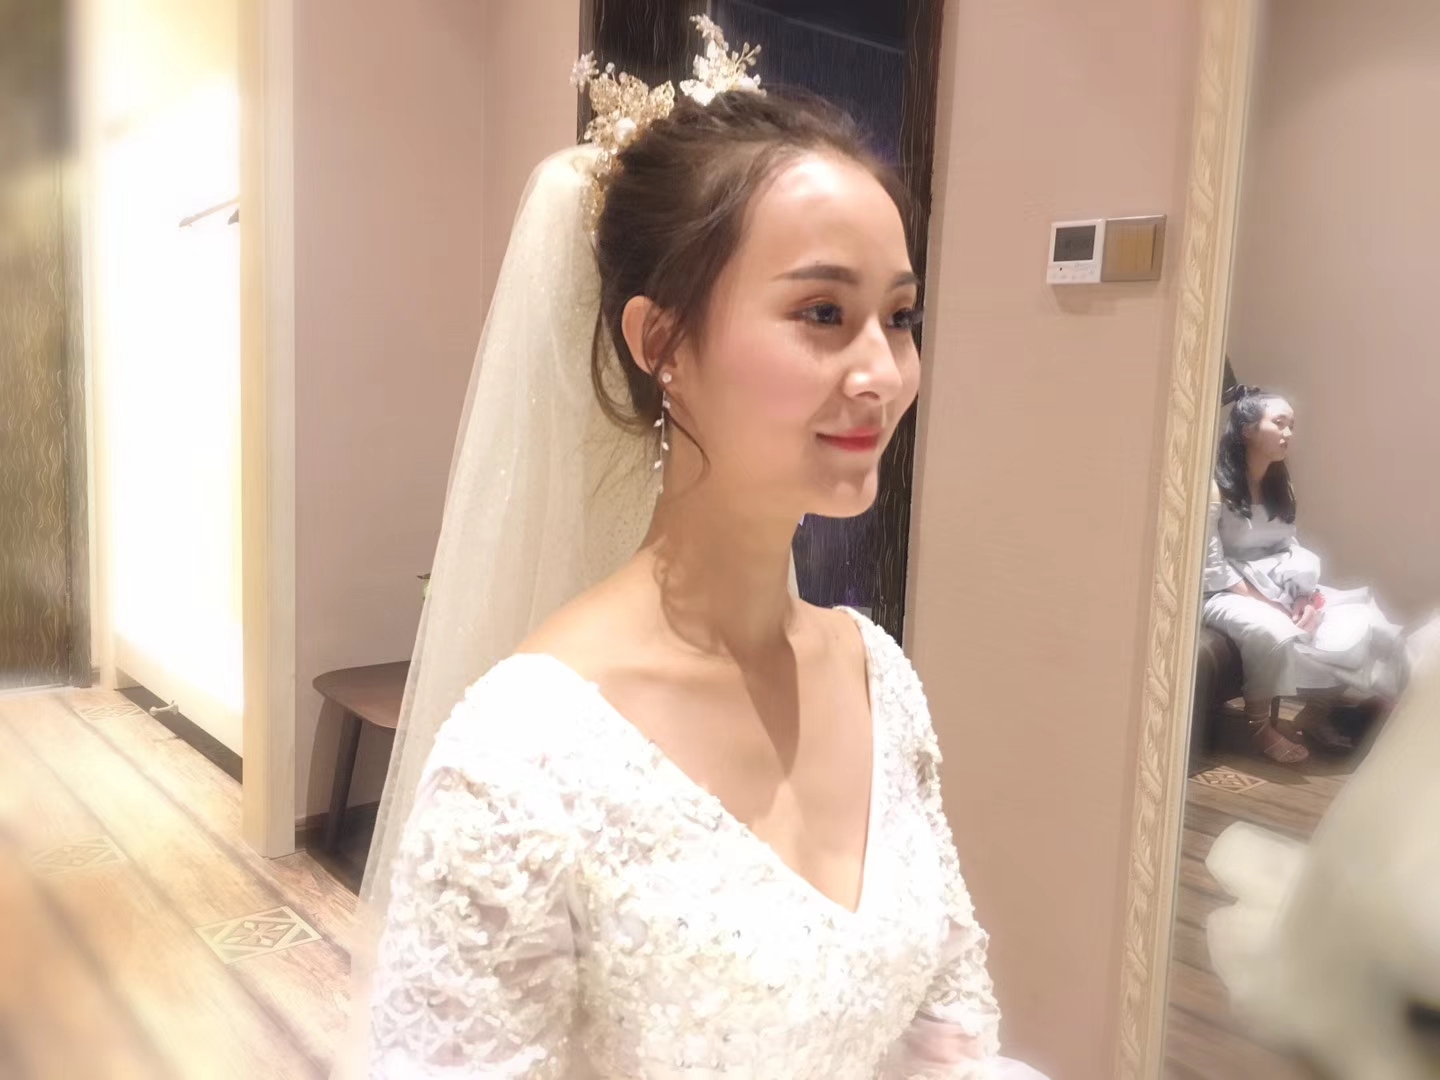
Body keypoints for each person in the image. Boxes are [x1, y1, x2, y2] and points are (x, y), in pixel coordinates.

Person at [340, 18, 1048, 1080]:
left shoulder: (879, 678)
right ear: (662, 341)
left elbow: (944, 1026)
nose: (883, 373)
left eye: (900, 317)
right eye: (823, 312)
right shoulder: (523, 759)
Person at [1201, 386, 1408, 763]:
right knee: (1273, 630)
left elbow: (1289, 546)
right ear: (1247, 430)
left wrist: (1303, 596)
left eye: (1291, 426)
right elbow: (1210, 563)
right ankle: (1260, 727)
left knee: (1364, 617)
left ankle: (1318, 713)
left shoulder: (1281, 486)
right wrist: (1267, 603)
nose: (1288, 433)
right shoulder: (1214, 488)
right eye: (1279, 423)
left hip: (1277, 584)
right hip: (1225, 591)